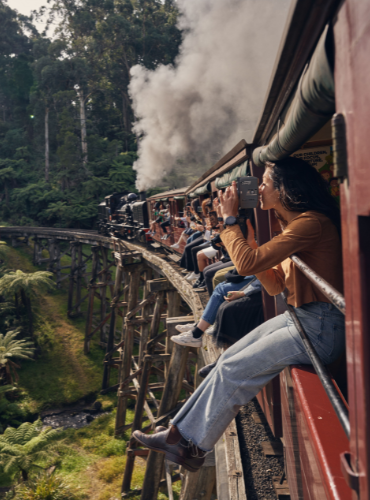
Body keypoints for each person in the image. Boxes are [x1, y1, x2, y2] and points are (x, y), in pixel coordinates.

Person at [132, 157, 344, 472]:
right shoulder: (293, 226)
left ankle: (189, 445)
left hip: (321, 327)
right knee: (224, 363)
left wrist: (230, 222)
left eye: (265, 183)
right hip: (304, 319)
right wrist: (253, 247)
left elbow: (244, 266)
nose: (258, 189)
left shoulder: (310, 224)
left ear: (285, 189)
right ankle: (177, 434)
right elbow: (273, 287)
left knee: (232, 369)